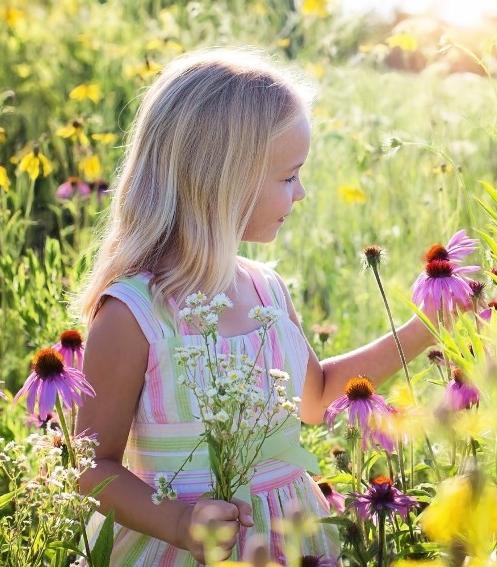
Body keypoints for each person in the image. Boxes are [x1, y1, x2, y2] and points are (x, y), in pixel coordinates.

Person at [75, 47, 436, 565]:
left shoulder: (267, 290)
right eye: (289, 177)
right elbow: (92, 467)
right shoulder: (135, 314)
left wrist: (425, 328)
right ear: (223, 183)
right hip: (179, 548)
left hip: (293, 539)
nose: (303, 192)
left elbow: (316, 398)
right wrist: (179, 522)